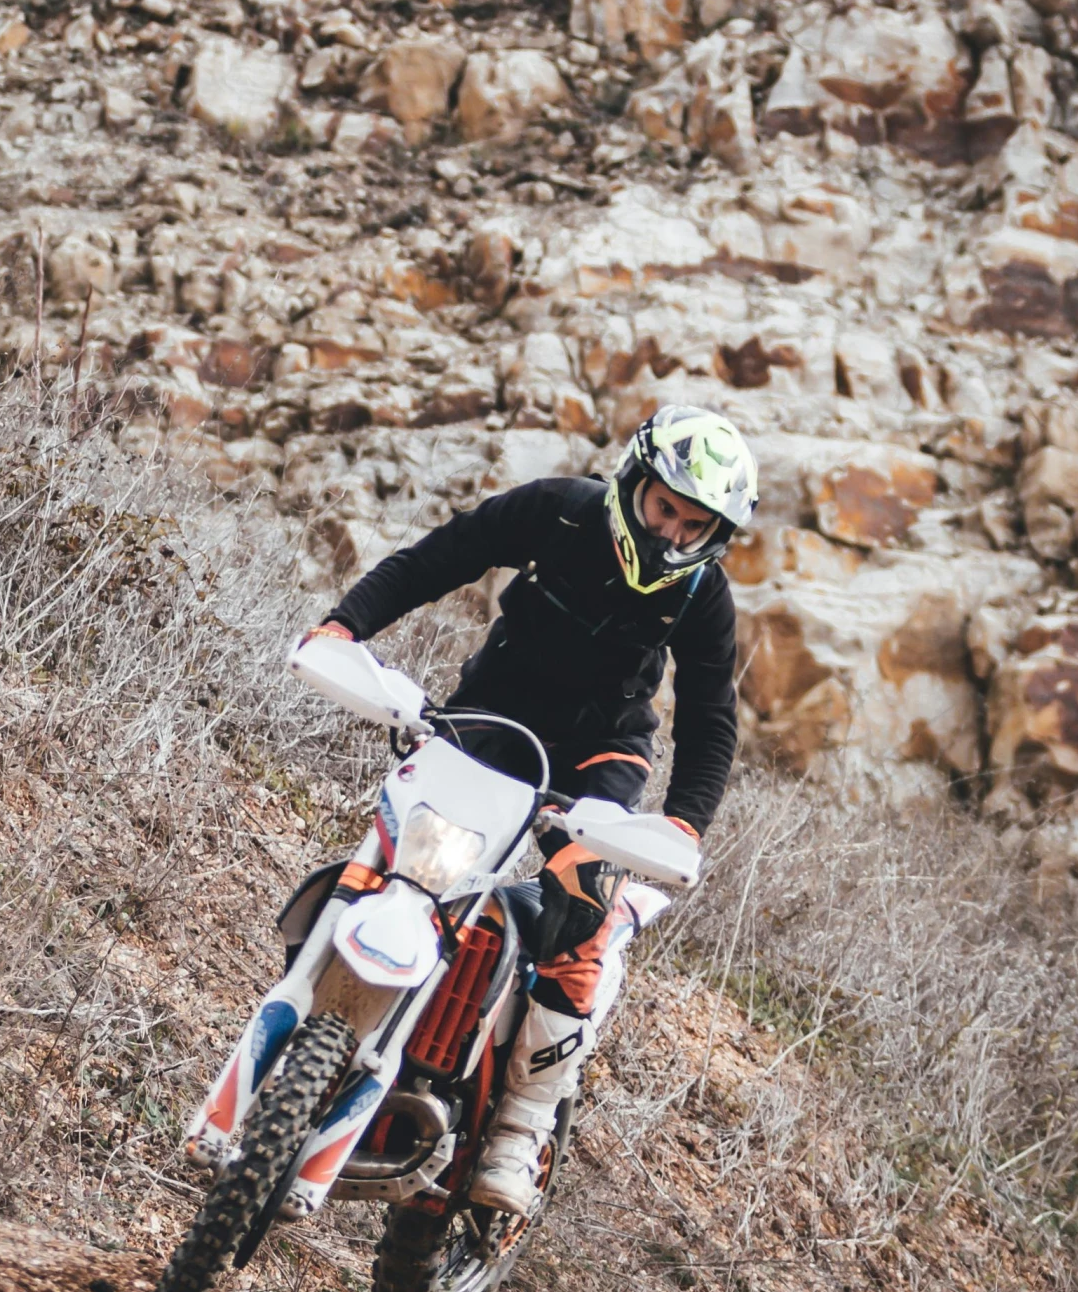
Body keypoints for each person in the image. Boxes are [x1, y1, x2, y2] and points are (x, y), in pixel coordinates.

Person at [308, 404, 758, 1215]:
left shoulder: (702, 596)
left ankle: (518, 1127)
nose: (671, 535)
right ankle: (322, 1023)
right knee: (400, 848)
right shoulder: (557, 509)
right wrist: (344, 626)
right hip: (490, 720)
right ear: (636, 482)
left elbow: (709, 718)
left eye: (695, 526)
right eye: (664, 509)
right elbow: (436, 560)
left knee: (580, 907)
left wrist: (684, 821)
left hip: (600, 757)